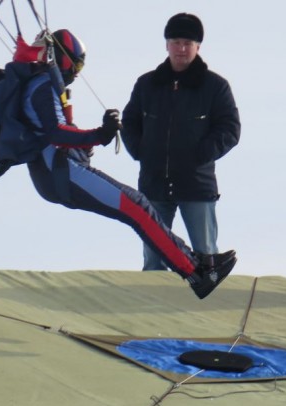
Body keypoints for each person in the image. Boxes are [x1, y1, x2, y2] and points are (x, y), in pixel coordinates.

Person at [15, 29, 236, 299]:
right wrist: (100, 134)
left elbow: (53, 135)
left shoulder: (39, 83)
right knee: (138, 207)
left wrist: (88, 143)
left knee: (138, 207)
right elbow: (55, 133)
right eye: (77, 64)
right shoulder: (42, 86)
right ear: (62, 59)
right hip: (60, 174)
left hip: (59, 172)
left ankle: (196, 268)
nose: (77, 72)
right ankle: (197, 274)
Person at [121, 13, 240, 271]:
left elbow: (230, 129)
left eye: (188, 42)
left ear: (198, 46)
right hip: (153, 187)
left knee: (206, 258)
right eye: (176, 41)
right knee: (153, 260)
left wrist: (201, 153)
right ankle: (150, 310)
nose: (181, 48)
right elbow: (128, 122)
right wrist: (141, 151)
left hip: (197, 186)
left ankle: (206, 308)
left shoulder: (215, 86)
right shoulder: (147, 84)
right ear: (166, 44)